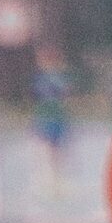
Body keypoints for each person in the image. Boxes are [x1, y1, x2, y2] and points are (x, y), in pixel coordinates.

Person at [31, 51, 72, 201]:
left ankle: (59, 179)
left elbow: (65, 96)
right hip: (45, 118)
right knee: (47, 149)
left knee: (58, 150)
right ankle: (49, 179)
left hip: (57, 118)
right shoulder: (39, 78)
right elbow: (36, 98)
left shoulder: (59, 78)